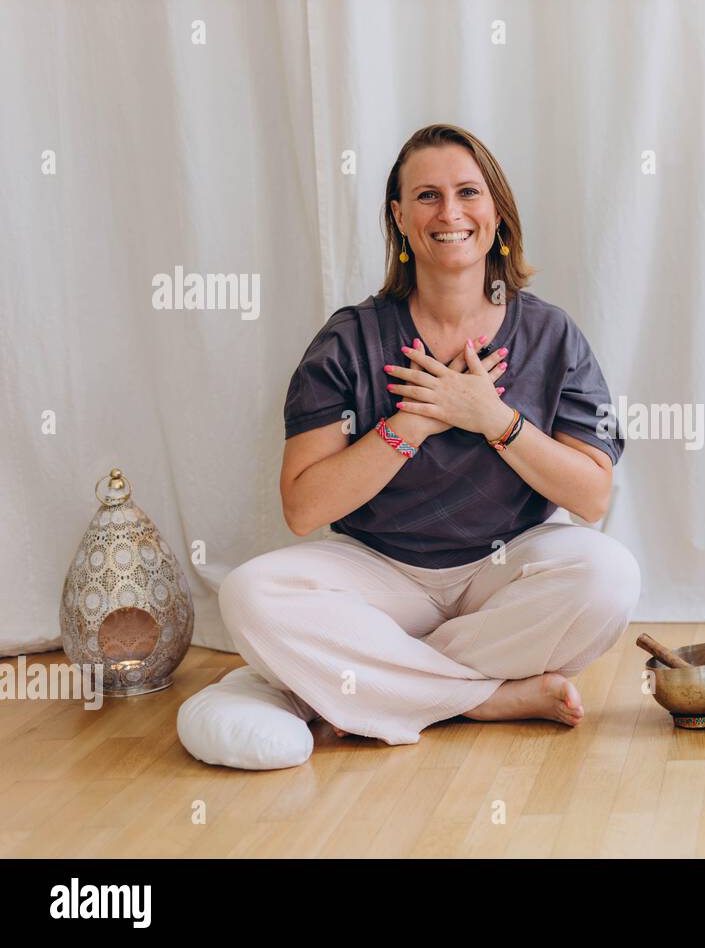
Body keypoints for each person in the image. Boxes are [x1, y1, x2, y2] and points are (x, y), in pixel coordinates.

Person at [177, 124, 640, 769]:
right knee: (249, 594)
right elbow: (303, 509)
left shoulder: (551, 334)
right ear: (399, 217)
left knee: (609, 576)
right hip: (380, 572)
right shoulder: (350, 339)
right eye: (426, 196)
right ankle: (483, 698)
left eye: (467, 192)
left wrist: (491, 418)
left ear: (496, 212)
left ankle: (371, 683)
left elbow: (591, 496)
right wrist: (412, 424)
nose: (448, 213)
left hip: (501, 569)